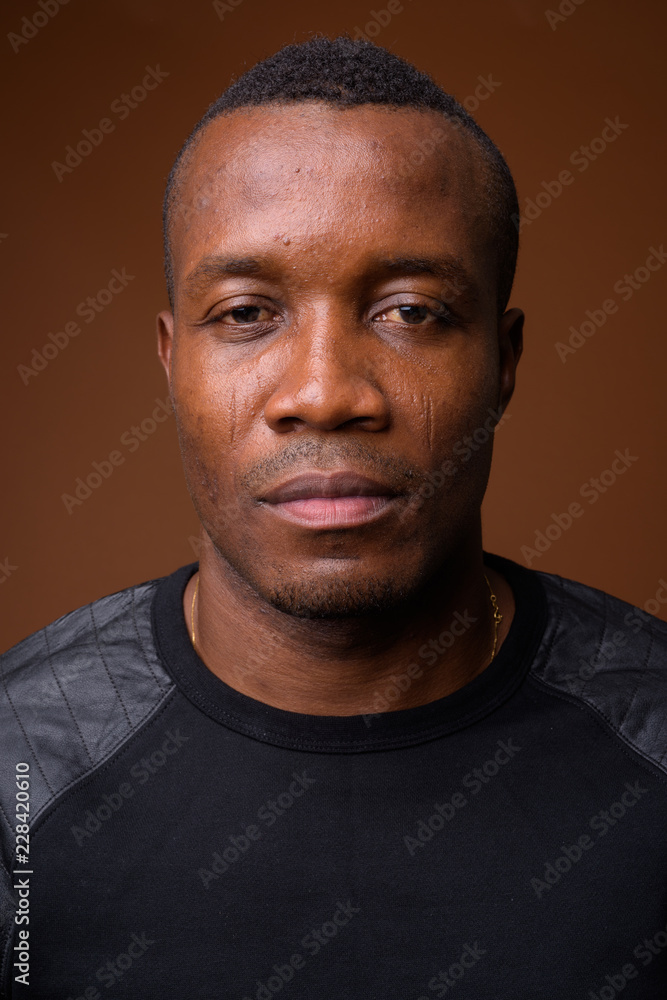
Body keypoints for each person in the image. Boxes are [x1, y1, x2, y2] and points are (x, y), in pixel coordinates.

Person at [1, 35, 665, 999]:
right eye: (244, 313)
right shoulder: (21, 766)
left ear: (503, 360)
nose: (322, 392)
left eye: (411, 311)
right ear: (170, 359)